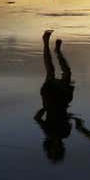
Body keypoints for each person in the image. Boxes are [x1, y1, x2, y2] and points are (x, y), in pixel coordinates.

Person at [33, 30, 74, 162]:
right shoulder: (65, 134)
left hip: (50, 98)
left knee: (50, 71)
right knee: (67, 73)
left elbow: (37, 118)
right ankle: (57, 51)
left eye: (54, 150)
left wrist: (45, 107)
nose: (57, 146)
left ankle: (45, 41)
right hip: (62, 101)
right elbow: (66, 117)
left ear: (50, 147)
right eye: (58, 150)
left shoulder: (49, 132)